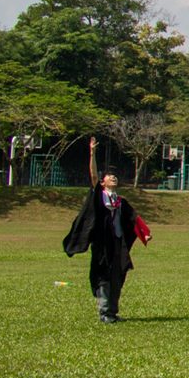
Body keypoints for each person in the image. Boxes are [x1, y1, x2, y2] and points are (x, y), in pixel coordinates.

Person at [62, 136, 144, 323]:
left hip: (118, 242)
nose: (113, 178)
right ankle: (105, 312)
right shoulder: (99, 196)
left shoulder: (120, 201)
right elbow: (92, 176)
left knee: (119, 274)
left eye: (115, 177)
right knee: (104, 275)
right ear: (102, 182)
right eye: (109, 177)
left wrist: (144, 232)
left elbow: (133, 219)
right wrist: (92, 153)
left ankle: (113, 311)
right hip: (102, 243)